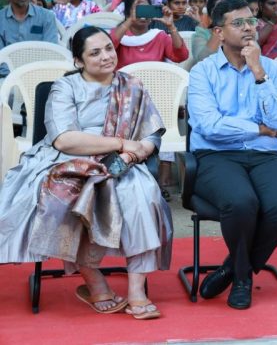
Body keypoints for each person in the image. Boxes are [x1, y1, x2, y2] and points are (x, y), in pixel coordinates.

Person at [0, 26, 172, 319]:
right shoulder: (65, 87)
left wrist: (135, 152)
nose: (106, 56)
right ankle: (93, 280)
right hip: (69, 157)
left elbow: (151, 134)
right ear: (79, 60)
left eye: (108, 48)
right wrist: (120, 143)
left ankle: (136, 291)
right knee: (70, 193)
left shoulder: (132, 86)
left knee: (143, 194)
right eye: (95, 53)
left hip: (123, 160)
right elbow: (64, 139)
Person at [189, 0, 277, 309]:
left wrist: (258, 72)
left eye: (251, 21)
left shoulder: (272, 69)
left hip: (266, 155)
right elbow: (208, 125)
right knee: (241, 202)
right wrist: (257, 129)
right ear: (219, 32)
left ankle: (231, 268)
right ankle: (243, 279)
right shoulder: (202, 72)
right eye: (238, 23)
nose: (248, 28)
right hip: (217, 155)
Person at [109, 0, 188, 69]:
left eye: (146, 10)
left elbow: (181, 56)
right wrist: (130, 20)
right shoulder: (120, 36)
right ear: (127, 14)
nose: (143, 14)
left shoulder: (159, 36)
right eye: (139, 10)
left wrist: (171, 26)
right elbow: (109, 45)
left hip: (156, 78)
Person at [0, 0, 58, 75]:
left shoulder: (47, 17)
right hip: (7, 77)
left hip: (40, 74)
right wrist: (15, 77)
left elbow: (51, 52)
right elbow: (1, 60)